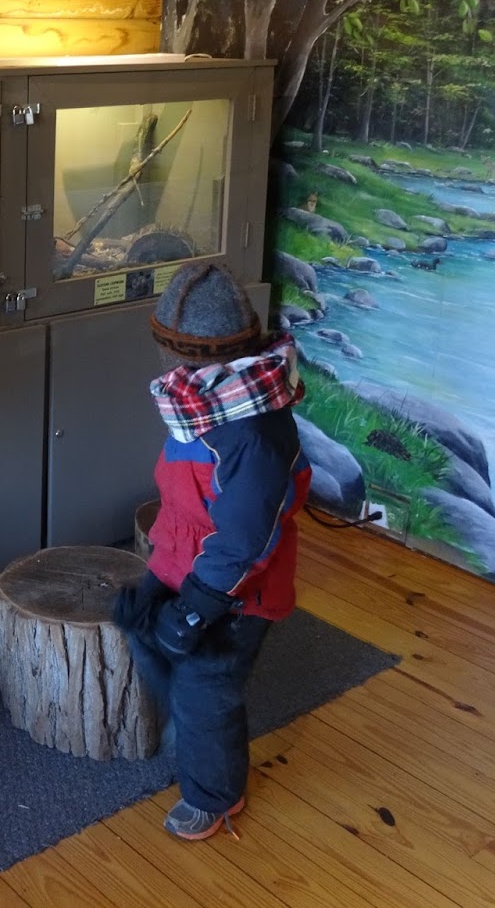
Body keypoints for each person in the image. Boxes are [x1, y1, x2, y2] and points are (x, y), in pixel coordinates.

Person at [114, 260, 312, 840]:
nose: (170, 367)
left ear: (206, 357)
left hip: (235, 589)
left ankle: (215, 794)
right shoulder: (206, 400)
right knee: (142, 630)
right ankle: (183, 723)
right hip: (181, 554)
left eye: (179, 356)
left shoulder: (252, 432)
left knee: (207, 690)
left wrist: (198, 607)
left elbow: (247, 539)